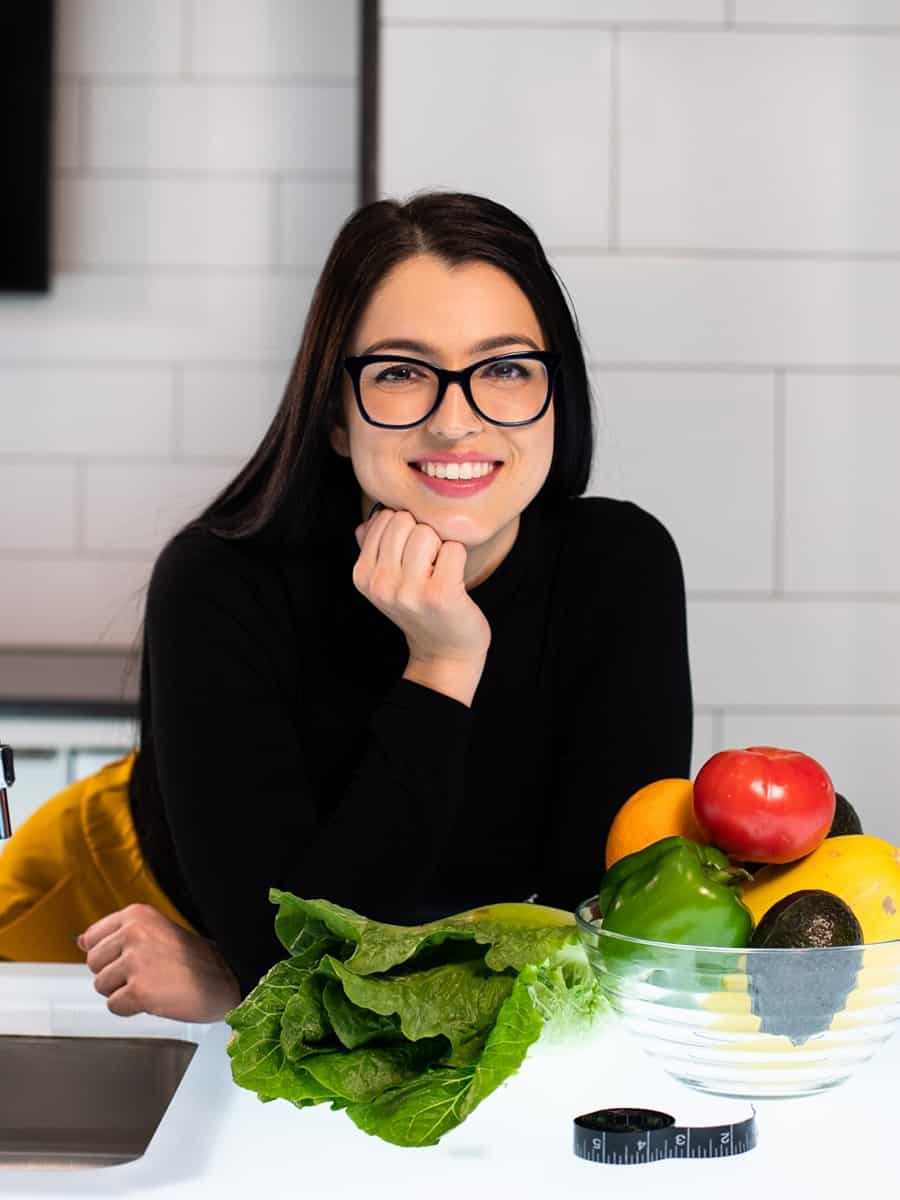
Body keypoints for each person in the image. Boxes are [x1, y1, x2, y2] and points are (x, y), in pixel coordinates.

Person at [0, 192, 692, 1020]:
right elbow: (292, 967)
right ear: (334, 412)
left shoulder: (620, 567)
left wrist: (242, 981)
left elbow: (596, 948)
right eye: (401, 372)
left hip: (262, 982)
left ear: (556, 392)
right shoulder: (218, 583)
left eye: (505, 368)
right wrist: (441, 666)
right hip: (115, 929)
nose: (455, 420)